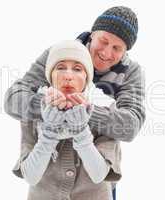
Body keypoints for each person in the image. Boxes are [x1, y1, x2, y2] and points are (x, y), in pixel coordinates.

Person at [4, 6, 145, 142]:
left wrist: (85, 111)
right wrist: (48, 105)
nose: (106, 53)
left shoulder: (131, 72)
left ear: (125, 51)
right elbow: (13, 99)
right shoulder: (60, 53)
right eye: (103, 41)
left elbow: (131, 126)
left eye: (117, 48)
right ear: (92, 35)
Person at [12, 40, 121, 200]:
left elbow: (99, 175)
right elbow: (31, 176)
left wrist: (81, 130)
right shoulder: (34, 113)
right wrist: (49, 132)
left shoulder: (106, 114)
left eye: (77, 69)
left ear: (86, 78)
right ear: (50, 76)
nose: (68, 76)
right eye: (60, 67)